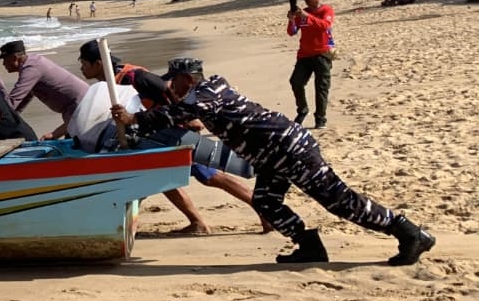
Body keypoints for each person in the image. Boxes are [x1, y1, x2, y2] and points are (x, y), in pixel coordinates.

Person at [110, 58, 435, 265]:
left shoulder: (204, 94)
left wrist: (133, 119)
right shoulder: (214, 89)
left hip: (289, 149)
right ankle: (309, 246)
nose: (172, 86)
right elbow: (191, 114)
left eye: (176, 80)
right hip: (272, 154)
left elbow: (172, 114)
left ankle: (409, 232)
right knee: (266, 201)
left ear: (190, 79)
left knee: (339, 201)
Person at [77, 41, 268, 234]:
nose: (81, 68)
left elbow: (166, 90)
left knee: (210, 176)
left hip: (170, 136)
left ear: (98, 64)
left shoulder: (132, 77)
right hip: (153, 138)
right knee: (164, 178)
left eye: (84, 63)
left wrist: (188, 119)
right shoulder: (108, 83)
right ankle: (199, 222)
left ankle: (259, 212)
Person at [0, 40, 89, 139]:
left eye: (5, 59)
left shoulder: (31, 69)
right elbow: (25, 98)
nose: (3, 64)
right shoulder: (33, 61)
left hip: (79, 107)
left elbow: (12, 101)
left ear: (15, 58)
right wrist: (13, 115)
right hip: (79, 103)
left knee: (71, 144)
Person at [287, 0, 335, 129]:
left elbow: (325, 26)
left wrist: (306, 15)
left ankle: (320, 118)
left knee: (321, 87)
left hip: (322, 53)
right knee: (296, 81)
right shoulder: (301, 13)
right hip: (305, 54)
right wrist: (291, 20)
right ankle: (302, 109)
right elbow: (292, 32)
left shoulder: (326, 10)